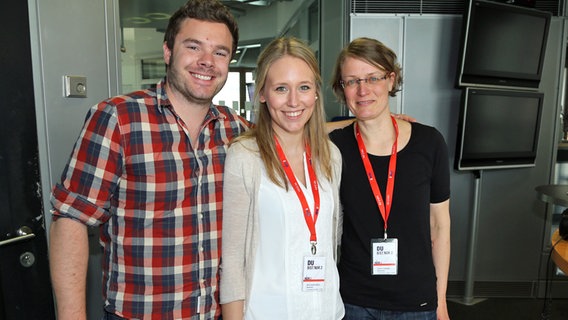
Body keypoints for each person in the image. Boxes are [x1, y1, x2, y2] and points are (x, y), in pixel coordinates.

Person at [48, 0, 249, 319]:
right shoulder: (118, 119)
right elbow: (71, 220)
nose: (207, 61)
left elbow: (292, 132)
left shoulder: (238, 131)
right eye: (193, 46)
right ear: (168, 51)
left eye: (220, 52)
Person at [219, 37, 344, 319]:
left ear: (315, 93)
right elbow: (234, 258)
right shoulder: (245, 156)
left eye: (303, 87)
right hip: (267, 312)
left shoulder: (330, 156)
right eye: (281, 89)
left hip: (326, 310)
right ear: (262, 93)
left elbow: (330, 240)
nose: (293, 101)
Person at [328, 37, 451, 320]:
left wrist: (440, 300)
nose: (362, 90)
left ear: (391, 80)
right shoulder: (336, 147)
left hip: (416, 301)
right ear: (342, 88)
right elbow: (292, 129)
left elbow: (440, 226)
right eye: (352, 81)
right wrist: (356, 121)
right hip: (354, 300)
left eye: (373, 78)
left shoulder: (429, 143)